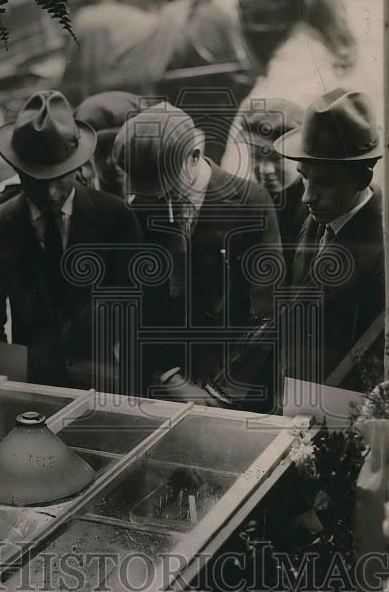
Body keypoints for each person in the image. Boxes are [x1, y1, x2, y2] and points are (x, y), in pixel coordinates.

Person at [112, 103, 283, 410]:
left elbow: (266, 311)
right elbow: (135, 307)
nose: (158, 198)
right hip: (162, 386)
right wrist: (169, 377)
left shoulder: (250, 204)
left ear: (194, 155)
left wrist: (220, 393)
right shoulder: (139, 208)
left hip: (233, 389)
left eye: (165, 186)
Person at [0, 91, 142, 389]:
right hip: (35, 384)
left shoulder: (116, 218)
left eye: (59, 177)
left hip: (107, 380)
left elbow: (135, 306)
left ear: (78, 166)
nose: (50, 193)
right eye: (36, 180)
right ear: (17, 171)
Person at [274, 88, 385, 385]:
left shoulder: (386, 250)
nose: (308, 196)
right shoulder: (312, 216)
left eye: (325, 182)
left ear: (363, 178)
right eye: (304, 176)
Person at [241, 98, 308, 277]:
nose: (265, 169)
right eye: (256, 157)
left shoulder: (315, 207)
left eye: (276, 159)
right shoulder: (250, 203)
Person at [73, 91, 143, 197]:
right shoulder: (78, 205)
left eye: (122, 149)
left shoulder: (160, 205)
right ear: (88, 155)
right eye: (103, 150)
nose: (112, 161)